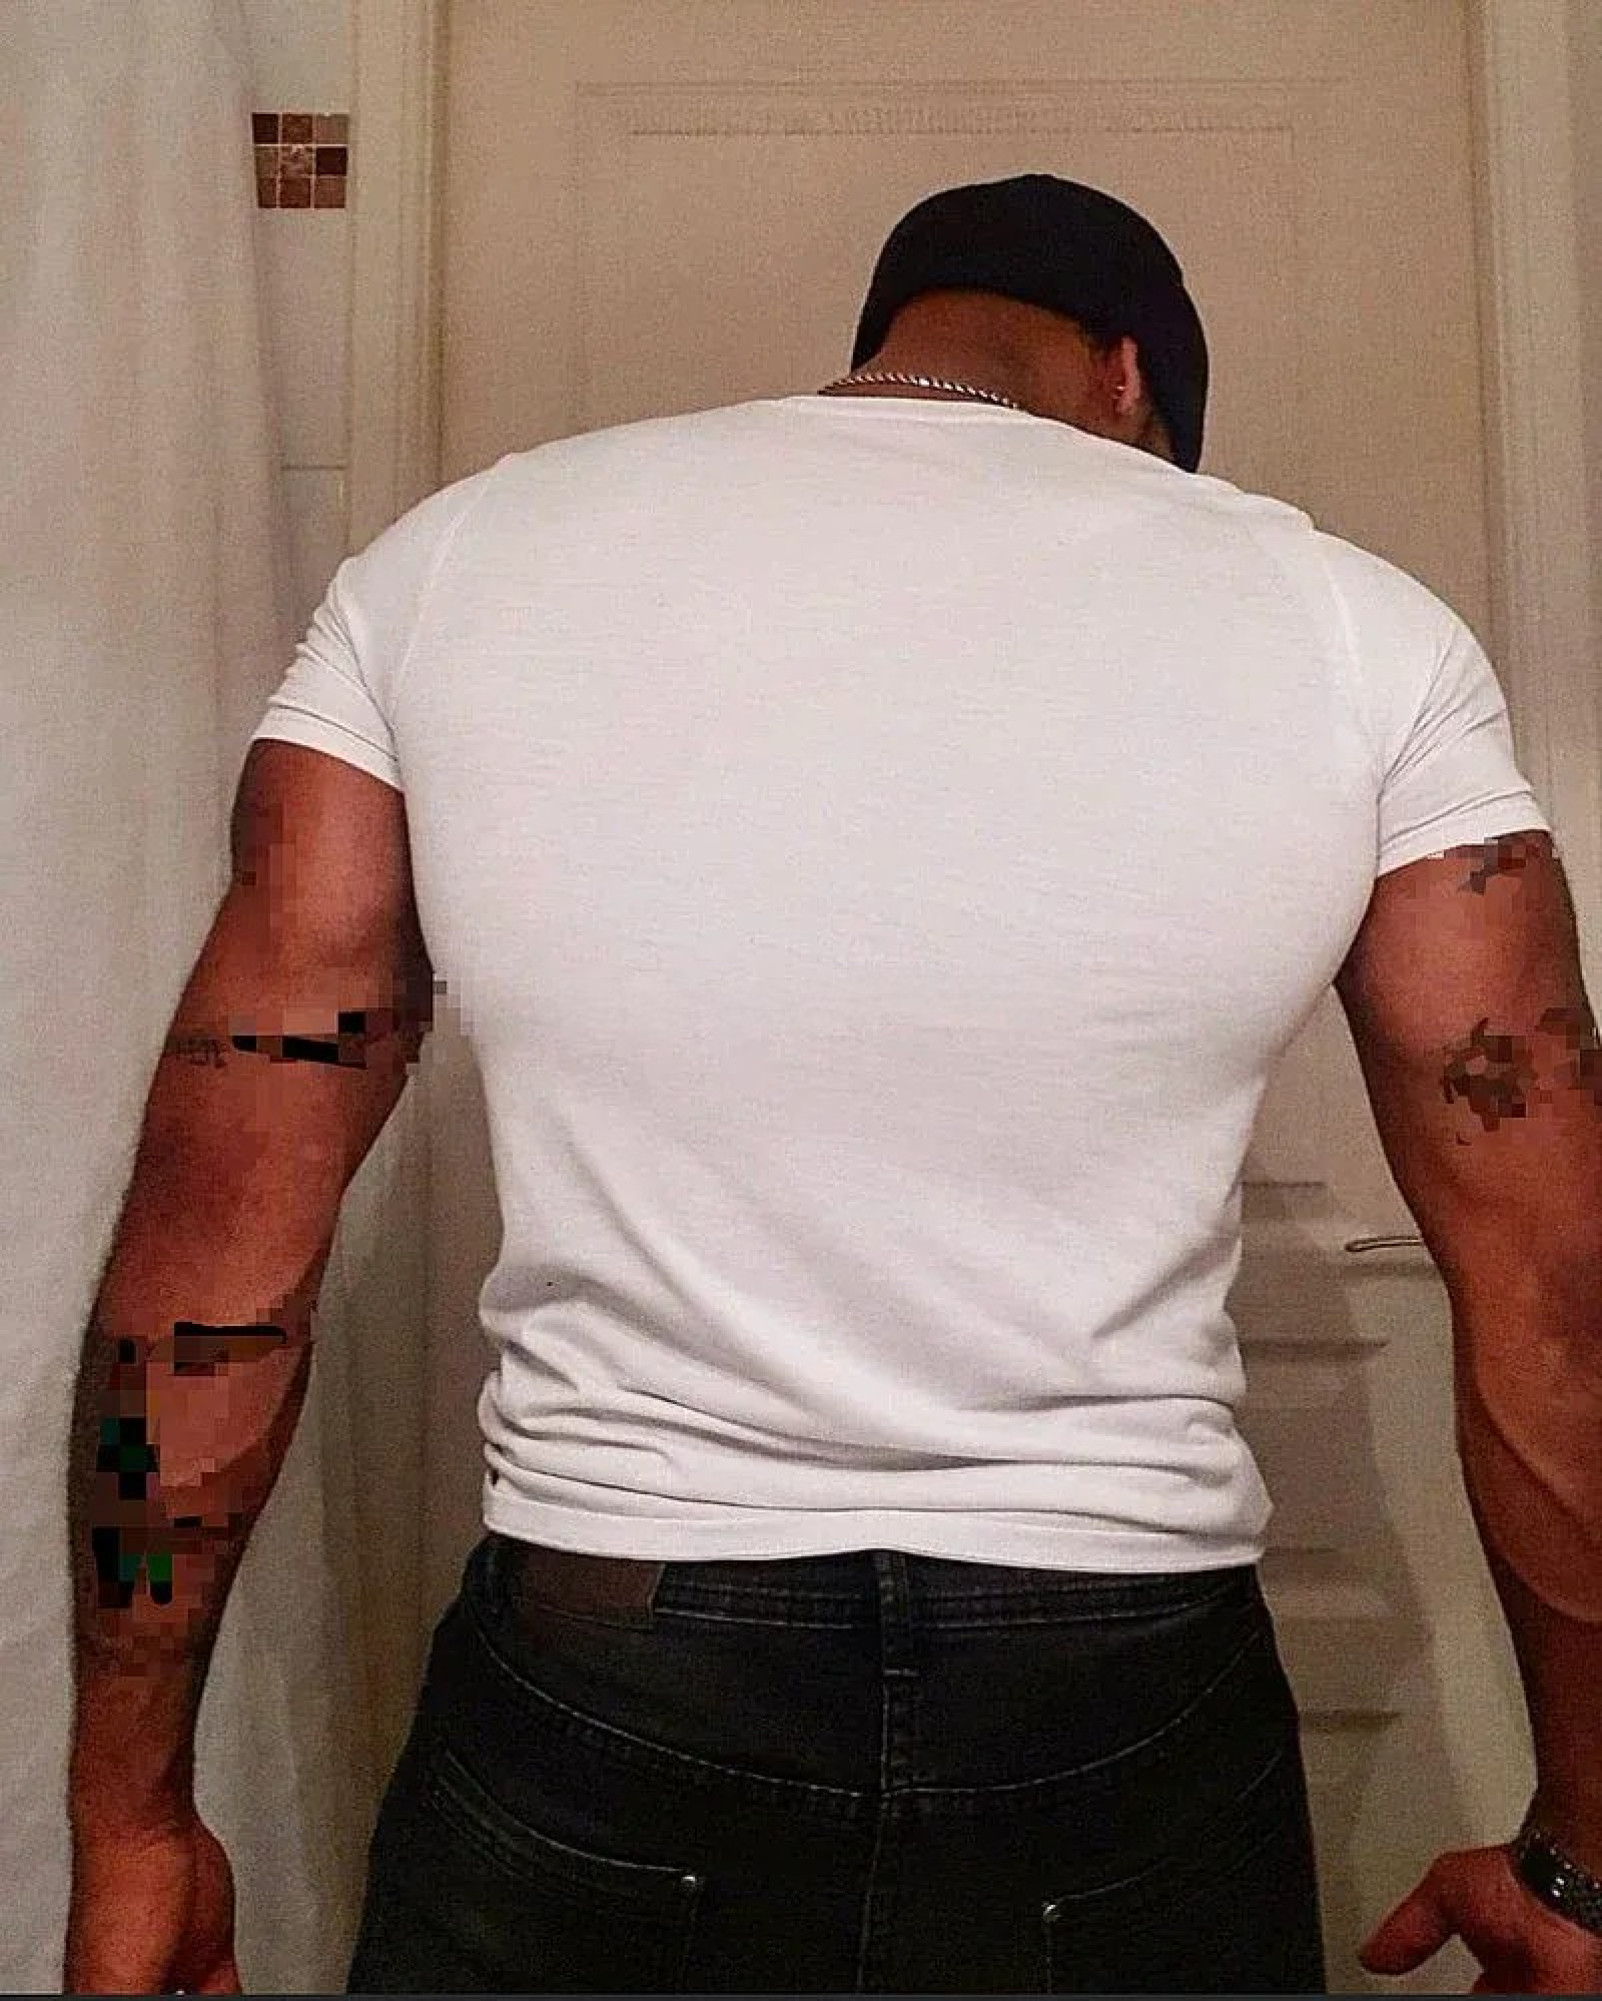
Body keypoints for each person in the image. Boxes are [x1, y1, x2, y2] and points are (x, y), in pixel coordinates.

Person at [63, 175, 1602, 1995]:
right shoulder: (1361, 630)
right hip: (1113, 1682)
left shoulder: (453, 563)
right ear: (1129, 376)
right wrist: (1581, 1860)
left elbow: (212, 1254)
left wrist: (129, 1815)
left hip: (610, 1661)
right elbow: (1553, 1293)